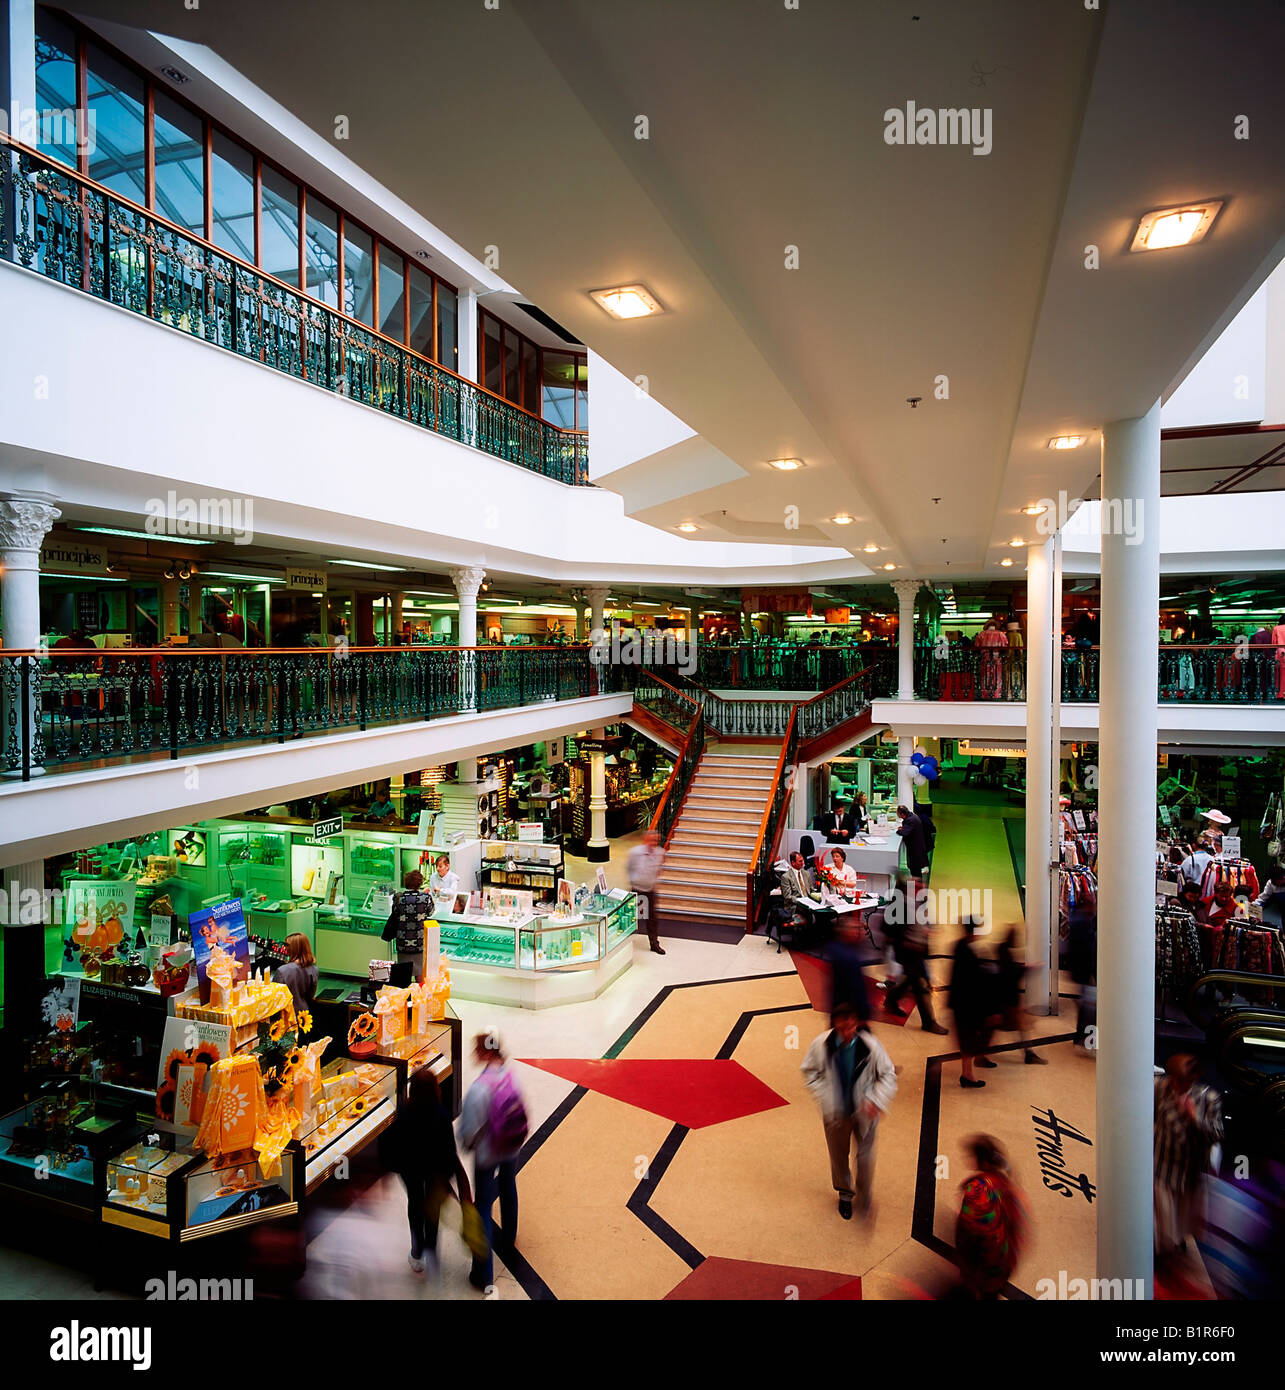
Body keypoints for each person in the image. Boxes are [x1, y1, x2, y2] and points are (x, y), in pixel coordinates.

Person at [801, 1001, 897, 1220]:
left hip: (865, 1114)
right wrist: (827, 1098)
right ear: (835, 1024)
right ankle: (845, 1194)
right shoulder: (821, 1045)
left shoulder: (870, 1046)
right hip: (836, 1115)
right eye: (843, 1027)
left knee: (865, 1157)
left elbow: (888, 1074)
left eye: (852, 1027)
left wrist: (876, 1100)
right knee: (838, 1156)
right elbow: (809, 1072)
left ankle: (865, 1194)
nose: (848, 1032)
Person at [460, 1031, 529, 1290]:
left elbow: (468, 1133)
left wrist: (469, 1145)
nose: (474, 1054)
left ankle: (483, 1273)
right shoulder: (511, 1075)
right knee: (509, 1186)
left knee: (484, 1207)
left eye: (477, 1050)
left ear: (486, 1053)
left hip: (488, 1155)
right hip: (511, 1147)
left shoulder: (478, 1089)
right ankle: (509, 1239)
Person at [385, 1067, 464, 1273]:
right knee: (433, 1211)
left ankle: (417, 1249)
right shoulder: (441, 1115)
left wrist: (396, 1167)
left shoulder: (404, 1112)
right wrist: (448, 1176)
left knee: (414, 1204)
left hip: (410, 1170)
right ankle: (431, 1250)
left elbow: (392, 1145)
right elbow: (449, 1150)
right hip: (434, 1172)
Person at [1154, 1054, 1222, 1264]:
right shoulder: (1159, 1088)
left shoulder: (1208, 1098)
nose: (1177, 1084)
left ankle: (1176, 1240)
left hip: (1188, 1166)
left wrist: (1194, 1118)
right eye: (1175, 1078)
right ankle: (1159, 1247)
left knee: (1183, 1209)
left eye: (1183, 1081)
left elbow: (1217, 1134)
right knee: (1160, 1208)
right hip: (1161, 1160)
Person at [954, 1135, 1029, 1299]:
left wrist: (969, 1268)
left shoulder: (978, 1190)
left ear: (982, 1161)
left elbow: (972, 1233)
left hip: (987, 1264)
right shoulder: (1003, 1182)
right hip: (1006, 1259)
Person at [882, 890, 949, 1034]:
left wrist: (930, 931)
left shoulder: (922, 903)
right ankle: (928, 1022)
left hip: (917, 952)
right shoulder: (901, 903)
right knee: (920, 986)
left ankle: (891, 1001)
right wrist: (904, 942)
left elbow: (928, 923)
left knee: (911, 981)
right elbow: (890, 926)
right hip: (907, 952)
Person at [949, 916, 999, 1088]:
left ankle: (969, 1071)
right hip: (966, 1004)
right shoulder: (968, 952)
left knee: (966, 1038)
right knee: (969, 1037)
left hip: (959, 1002)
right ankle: (967, 1074)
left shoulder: (960, 946)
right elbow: (974, 982)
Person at [993, 924, 1048, 1064]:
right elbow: (1011, 973)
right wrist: (1028, 968)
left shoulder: (1001, 949)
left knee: (1015, 1026)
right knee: (1021, 1026)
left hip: (1004, 998)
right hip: (1009, 1000)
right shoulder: (1005, 952)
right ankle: (1029, 1054)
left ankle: (1028, 1054)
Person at [627, 830, 667, 954]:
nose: (653, 842)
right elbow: (629, 868)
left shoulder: (660, 853)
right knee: (631, 917)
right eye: (651, 840)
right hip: (637, 890)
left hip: (649, 890)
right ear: (645, 840)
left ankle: (654, 944)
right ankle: (625, 943)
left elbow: (659, 868)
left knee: (652, 919)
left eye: (656, 840)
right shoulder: (635, 852)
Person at [273, 932, 317, 1018]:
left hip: (286, 1016)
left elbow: (276, 998)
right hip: (304, 1015)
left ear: (295, 948)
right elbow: (310, 995)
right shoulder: (314, 969)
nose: (285, 948)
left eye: (287, 945)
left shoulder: (282, 971)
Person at [896, 804, 930, 880]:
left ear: (902, 814)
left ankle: (917, 886)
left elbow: (904, 833)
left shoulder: (910, 820)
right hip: (917, 847)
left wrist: (899, 830)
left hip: (915, 849)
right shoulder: (912, 817)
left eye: (897, 814)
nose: (897, 815)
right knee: (915, 868)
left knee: (915, 869)